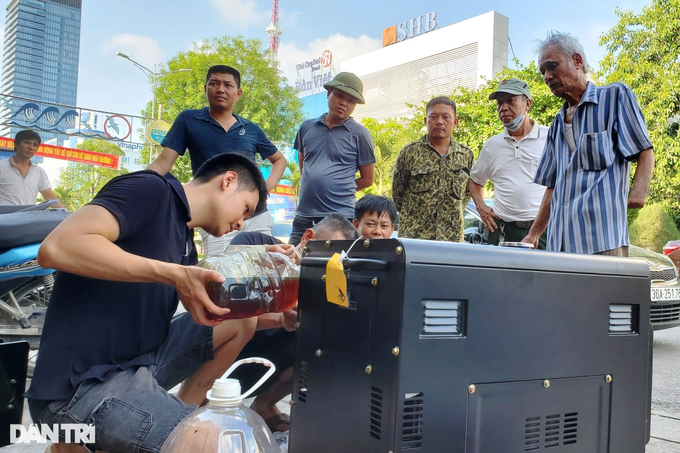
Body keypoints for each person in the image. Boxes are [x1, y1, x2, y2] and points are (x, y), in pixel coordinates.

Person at [25, 154, 293, 453]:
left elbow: (212, 307)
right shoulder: (150, 189)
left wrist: (257, 266)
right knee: (211, 444)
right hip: (79, 387)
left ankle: (175, 416)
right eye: (245, 208)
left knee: (240, 319)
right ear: (228, 181)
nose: (241, 222)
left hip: (138, 366)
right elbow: (57, 247)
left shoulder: (184, 240)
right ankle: (128, 435)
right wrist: (173, 273)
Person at [522, 32, 654, 256]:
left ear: (577, 60)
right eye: (543, 71)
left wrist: (637, 194)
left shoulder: (614, 97)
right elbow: (552, 186)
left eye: (552, 66)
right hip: (560, 243)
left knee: (605, 293)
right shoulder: (556, 124)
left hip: (602, 240)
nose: (547, 76)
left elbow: (645, 150)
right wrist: (534, 234)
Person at [227, 214, 359, 433]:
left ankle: (265, 406)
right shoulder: (253, 243)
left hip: (266, 367)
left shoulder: (323, 284)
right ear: (307, 238)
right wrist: (279, 318)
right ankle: (195, 406)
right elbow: (225, 276)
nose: (329, 268)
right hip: (223, 357)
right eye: (327, 256)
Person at [148, 65, 287, 256]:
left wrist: (264, 187)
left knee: (260, 271)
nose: (221, 89)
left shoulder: (251, 129)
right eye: (214, 83)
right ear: (206, 89)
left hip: (256, 216)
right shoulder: (189, 120)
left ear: (238, 94)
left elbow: (279, 160)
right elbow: (163, 163)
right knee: (219, 273)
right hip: (216, 218)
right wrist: (138, 185)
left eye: (228, 85)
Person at [289, 72, 376, 246]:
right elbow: (304, 167)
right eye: (339, 95)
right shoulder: (307, 127)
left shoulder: (360, 134)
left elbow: (368, 179)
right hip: (305, 214)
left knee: (336, 268)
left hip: (340, 217)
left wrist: (339, 189)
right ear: (329, 93)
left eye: (351, 100)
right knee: (293, 262)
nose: (344, 103)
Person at [468, 79, 549, 248]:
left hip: (543, 231)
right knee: (499, 275)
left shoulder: (550, 137)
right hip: (502, 230)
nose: (503, 108)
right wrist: (481, 208)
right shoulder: (492, 145)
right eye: (499, 103)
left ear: (527, 104)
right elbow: (475, 181)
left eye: (510, 100)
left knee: (542, 275)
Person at [392, 97, 475, 242]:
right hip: (415, 237)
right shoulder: (410, 153)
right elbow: (398, 193)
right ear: (425, 121)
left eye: (446, 117)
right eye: (434, 117)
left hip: (452, 238)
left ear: (455, 122)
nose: (439, 122)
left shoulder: (466, 155)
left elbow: (467, 193)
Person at [0, 129, 63, 207]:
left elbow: (50, 197)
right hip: (4, 217)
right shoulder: (2, 166)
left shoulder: (39, 171)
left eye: (35, 145)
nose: (31, 147)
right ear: (16, 144)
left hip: (27, 217)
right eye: (27, 143)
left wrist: (66, 215)